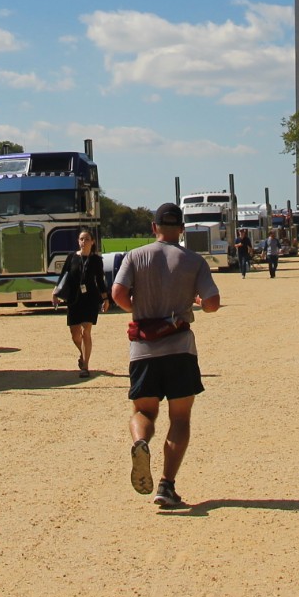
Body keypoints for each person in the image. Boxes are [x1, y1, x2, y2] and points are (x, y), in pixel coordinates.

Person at [112, 203, 221, 510]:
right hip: (179, 348)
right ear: (182, 229)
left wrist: (138, 307)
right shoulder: (193, 261)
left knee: (145, 412)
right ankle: (166, 485)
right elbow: (212, 302)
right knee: (180, 418)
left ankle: (140, 442)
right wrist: (198, 300)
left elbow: (118, 292)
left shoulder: (136, 256)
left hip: (143, 349)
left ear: (153, 227)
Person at [59, 229, 109, 377]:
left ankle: (85, 367)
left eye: (87, 239)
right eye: (81, 239)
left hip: (90, 299)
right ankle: (83, 353)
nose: (83, 242)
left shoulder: (96, 260)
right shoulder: (71, 257)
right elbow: (63, 276)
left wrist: (105, 299)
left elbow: (100, 281)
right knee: (75, 334)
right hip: (74, 299)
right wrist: (56, 292)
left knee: (86, 331)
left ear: (92, 242)